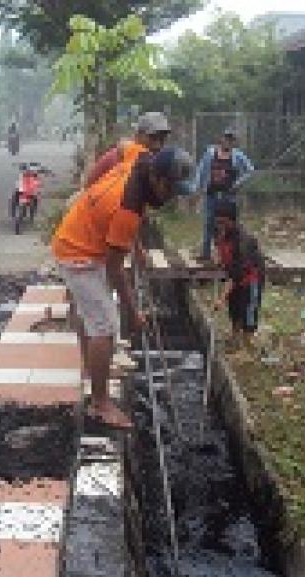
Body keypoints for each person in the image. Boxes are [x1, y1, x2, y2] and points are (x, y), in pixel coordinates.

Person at [52, 147, 194, 428]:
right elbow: (115, 270)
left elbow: (121, 148)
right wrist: (133, 311)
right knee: (105, 326)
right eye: (170, 188)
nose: (171, 196)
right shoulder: (126, 208)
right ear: (156, 178)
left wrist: (135, 245)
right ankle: (101, 403)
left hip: (78, 234)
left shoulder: (140, 158)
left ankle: (93, 371)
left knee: (91, 316)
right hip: (79, 254)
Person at [211, 201, 265, 357]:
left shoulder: (243, 241)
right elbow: (220, 249)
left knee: (248, 309)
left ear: (232, 220)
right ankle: (235, 338)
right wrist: (220, 259)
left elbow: (236, 275)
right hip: (235, 274)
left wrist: (220, 298)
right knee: (234, 306)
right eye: (217, 221)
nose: (219, 226)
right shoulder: (219, 231)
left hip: (251, 277)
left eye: (223, 222)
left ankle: (247, 344)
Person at [194, 128, 255, 261]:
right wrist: (197, 187)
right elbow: (201, 170)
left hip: (229, 196)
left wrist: (238, 184)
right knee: (209, 223)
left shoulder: (238, 155)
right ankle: (206, 253)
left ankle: (232, 253)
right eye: (226, 138)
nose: (228, 142)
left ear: (234, 142)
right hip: (212, 194)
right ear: (221, 139)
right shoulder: (210, 153)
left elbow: (250, 170)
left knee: (230, 224)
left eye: (231, 139)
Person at [85, 111, 171, 187]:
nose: (157, 145)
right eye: (153, 138)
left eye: (162, 139)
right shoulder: (121, 159)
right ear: (138, 135)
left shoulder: (146, 159)